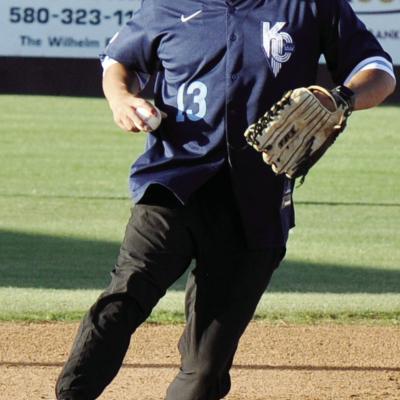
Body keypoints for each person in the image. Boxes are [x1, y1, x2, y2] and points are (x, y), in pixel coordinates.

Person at [55, 0, 396, 399]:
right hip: (173, 185)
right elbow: (119, 61)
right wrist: (121, 100)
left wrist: (341, 99)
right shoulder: (168, 3)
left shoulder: (310, 4)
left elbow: (377, 70)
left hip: (258, 203)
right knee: (123, 301)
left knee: (204, 371)